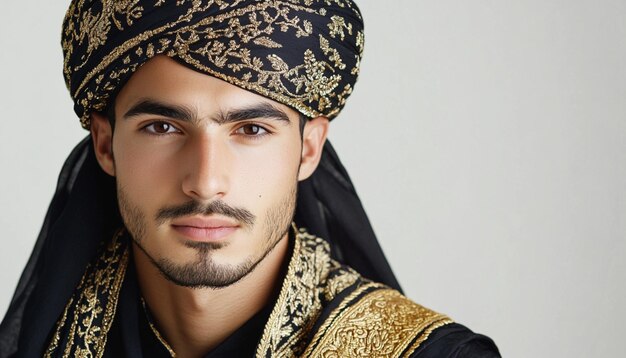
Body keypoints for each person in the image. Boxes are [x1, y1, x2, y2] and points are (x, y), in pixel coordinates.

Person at [0, 1, 500, 357]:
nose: (205, 182)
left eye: (251, 129)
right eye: (162, 127)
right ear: (105, 145)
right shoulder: (45, 340)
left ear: (308, 149)